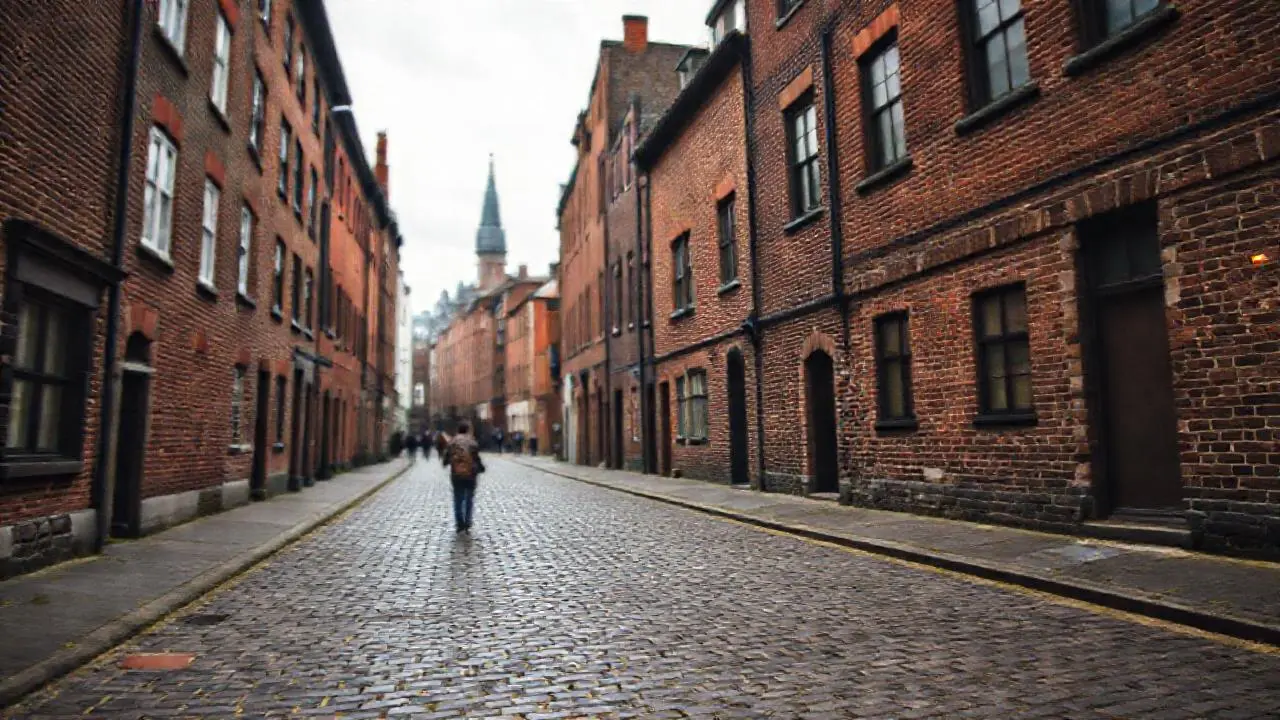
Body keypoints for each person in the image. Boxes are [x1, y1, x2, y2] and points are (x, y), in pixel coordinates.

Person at [442, 423, 484, 533]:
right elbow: (476, 458)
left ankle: (459, 523)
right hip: (470, 474)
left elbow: (446, 458)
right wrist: (481, 467)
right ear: (467, 431)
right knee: (469, 499)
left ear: (458, 430)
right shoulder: (472, 442)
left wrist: (446, 462)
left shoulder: (452, 442)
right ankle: (467, 522)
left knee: (458, 498)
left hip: (456, 474)